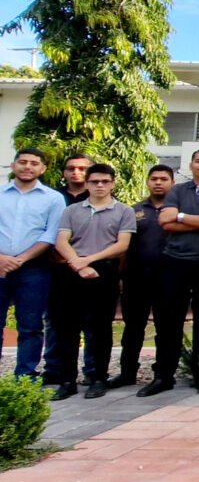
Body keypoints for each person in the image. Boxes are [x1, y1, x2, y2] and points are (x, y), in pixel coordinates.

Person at [139, 148, 199, 396]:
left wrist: (181, 216)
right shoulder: (176, 190)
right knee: (168, 322)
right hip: (175, 262)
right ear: (191, 165)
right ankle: (163, 376)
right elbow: (165, 222)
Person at [52, 164, 136, 400]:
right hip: (72, 271)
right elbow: (61, 241)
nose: (100, 185)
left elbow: (122, 245)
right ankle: (67, 380)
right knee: (67, 328)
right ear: (87, 183)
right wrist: (77, 263)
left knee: (100, 329)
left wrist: (88, 260)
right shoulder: (72, 210)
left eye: (105, 181)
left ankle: (98, 378)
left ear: (113, 183)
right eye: (95, 181)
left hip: (104, 272)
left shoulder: (123, 211)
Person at [0, 148, 65, 378]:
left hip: (34, 269)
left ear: (43, 168)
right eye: (23, 162)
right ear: (13, 165)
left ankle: (25, 377)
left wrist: (20, 259)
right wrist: (2, 259)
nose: (28, 167)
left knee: (30, 327)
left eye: (34, 163)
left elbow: (50, 235)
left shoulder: (54, 198)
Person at [109, 164, 174, 389]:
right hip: (136, 277)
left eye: (163, 179)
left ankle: (163, 375)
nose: (158, 182)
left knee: (166, 328)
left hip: (168, 278)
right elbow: (124, 247)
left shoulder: (177, 210)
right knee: (133, 328)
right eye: (154, 178)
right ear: (147, 181)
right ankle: (127, 373)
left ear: (171, 183)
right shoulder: (133, 211)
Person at [42, 153, 95, 385]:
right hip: (56, 267)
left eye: (82, 168)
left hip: (89, 266)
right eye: (71, 168)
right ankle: (55, 370)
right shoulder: (53, 198)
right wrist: (56, 256)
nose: (76, 172)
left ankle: (93, 371)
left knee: (91, 323)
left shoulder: (98, 198)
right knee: (55, 322)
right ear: (63, 172)